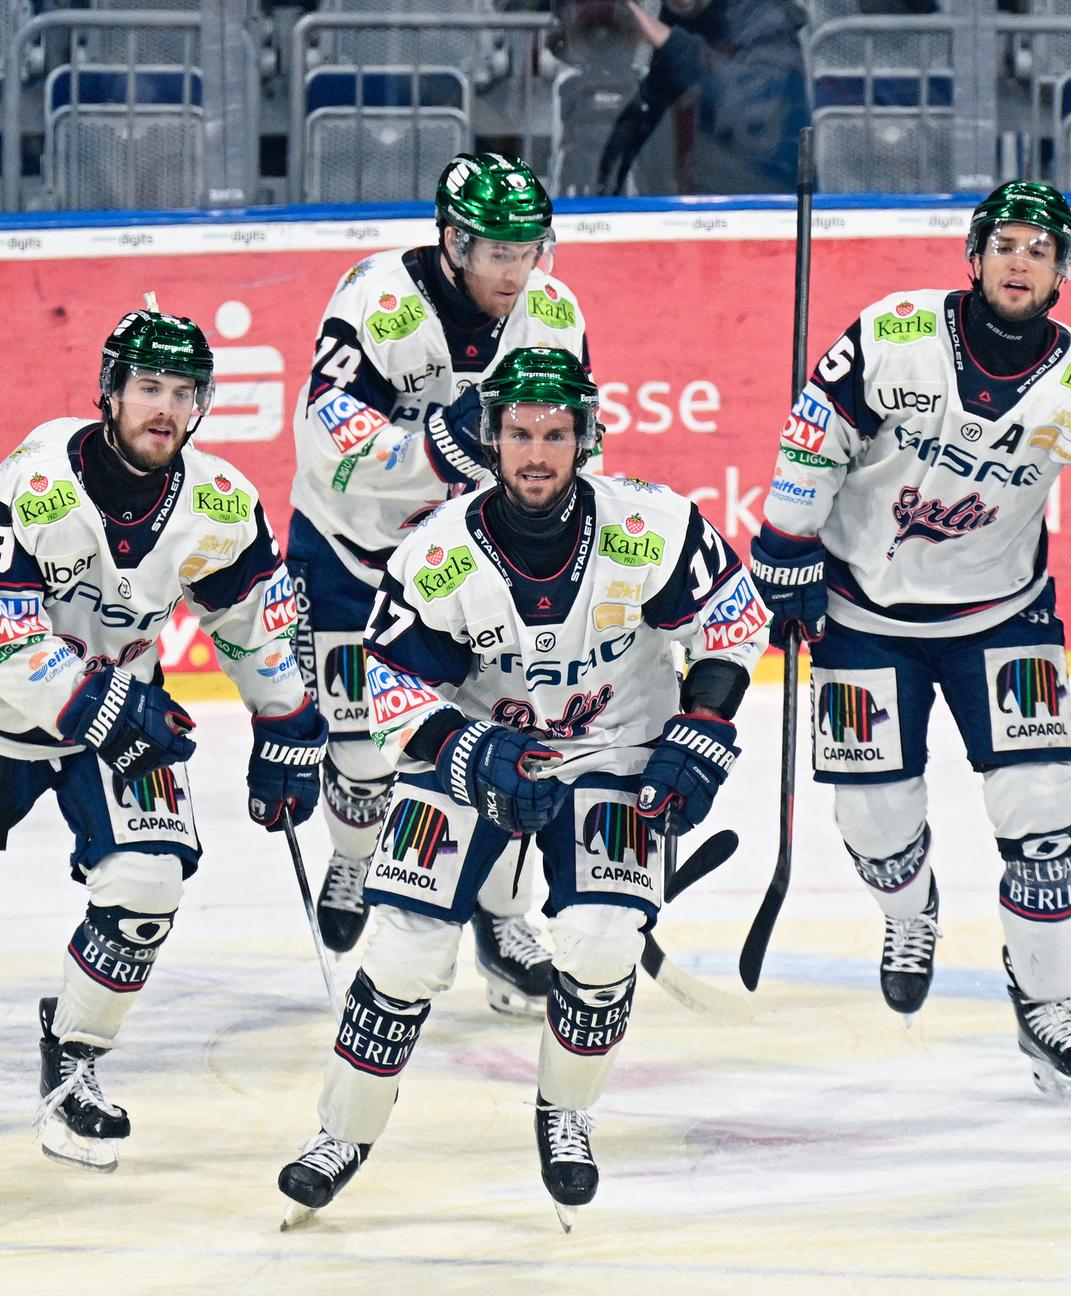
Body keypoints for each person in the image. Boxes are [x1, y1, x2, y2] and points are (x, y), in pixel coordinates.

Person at [276, 346, 770, 1229]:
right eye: (518, 434)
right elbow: (383, 686)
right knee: (404, 951)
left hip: (616, 751)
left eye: (555, 434)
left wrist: (703, 731)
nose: (536, 454)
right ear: (491, 439)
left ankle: (566, 1114)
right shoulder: (437, 553)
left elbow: (733, 619)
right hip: (480, 750)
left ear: (586, 439)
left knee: (602, 942)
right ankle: (341, 1135)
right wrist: (470, 756)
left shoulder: (651, 525)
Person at [750, 181, 1071, 1103]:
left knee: (1043, 813)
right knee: (875, 822)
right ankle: (910, 908)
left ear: (1061, 274)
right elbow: (816, 434)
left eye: (1040, 251)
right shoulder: (893, 334)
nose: (1020, 262)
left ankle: (1047, 1002)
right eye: (1006, 244)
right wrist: (785, 545)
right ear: (975, 256)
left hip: (1003, 619)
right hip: (861, 610)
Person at [0, 307, 327, 1171]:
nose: (165, 408)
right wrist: (96, 702)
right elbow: (5, 639)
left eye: (184, 393)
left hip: (120, 720)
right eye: (148, 387)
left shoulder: (218, 504)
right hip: (17, 716)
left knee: (148, 885)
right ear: (109, 392)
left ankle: (72, 1060)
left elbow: (255, 626)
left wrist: (285, 723)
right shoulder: (35, 480)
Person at [287, 152, 592, 1017]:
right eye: (495, 249)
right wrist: (436, 450)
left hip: (472, 573)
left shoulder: (554, 311)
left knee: (519, 741)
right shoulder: (380, 304)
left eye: (526, 248)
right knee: (357, 751)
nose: (513, 268)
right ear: (452, 242)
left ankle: (503, 917)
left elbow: (576, 443)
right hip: (352, 556)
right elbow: (329, 445)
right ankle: (353, 853)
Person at [596, 0, 810, 197]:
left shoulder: (765, 18)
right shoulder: (674, 19)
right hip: (678, 211)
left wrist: (669, 41)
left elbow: (756, 120)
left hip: (765, 214)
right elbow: (650, 110)